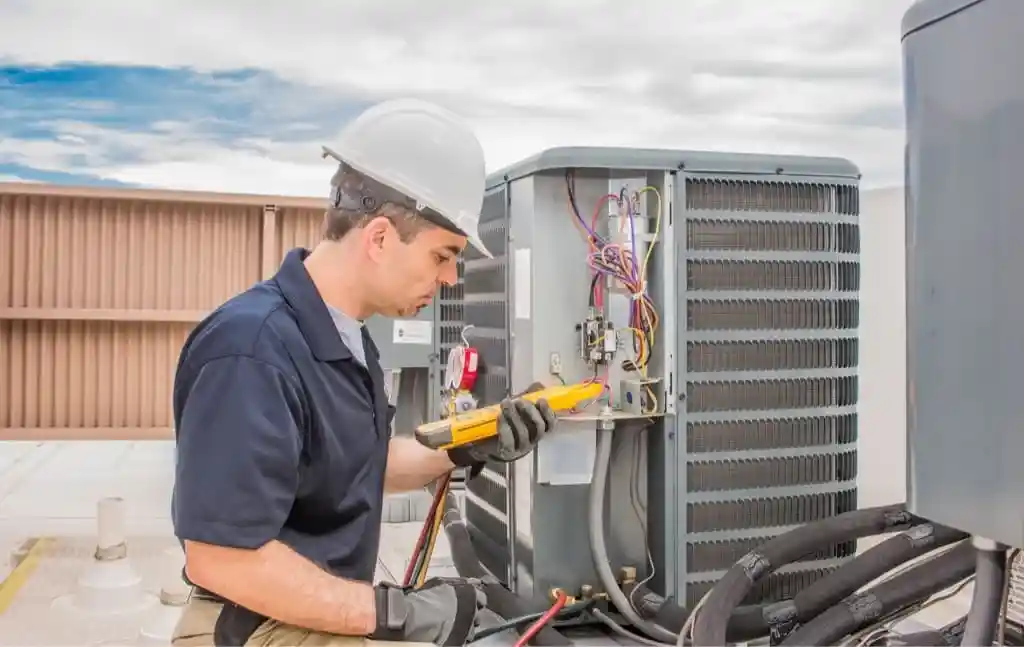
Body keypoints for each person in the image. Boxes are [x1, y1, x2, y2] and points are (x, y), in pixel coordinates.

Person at [169, 98, 558, 647]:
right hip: (254, 625)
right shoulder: (250, 351)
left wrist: (475, 442)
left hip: (310, 612)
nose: (450, 278)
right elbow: (221, 559)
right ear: (378, 238)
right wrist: (396, 614)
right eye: (442, 255)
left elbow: (361, 468)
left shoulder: (346, 338)